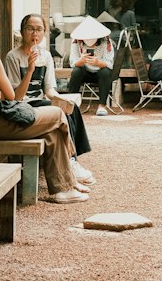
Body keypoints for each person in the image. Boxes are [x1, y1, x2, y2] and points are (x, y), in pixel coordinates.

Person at [0, 5, 87, 204]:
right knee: (58, 115)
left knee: (52, 132)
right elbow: (11, 97)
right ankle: (71, 169)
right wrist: (29, 71)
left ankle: (64, 187)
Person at [5, 13, 96, 187]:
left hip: (40, 101)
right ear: (22, 32)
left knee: (71, 108)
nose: (34, 34)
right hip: (23, 105)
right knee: (59, 112)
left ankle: (73, 160)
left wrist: (62, 100)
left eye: (39, 29)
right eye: (30, 29)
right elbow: (16, 96)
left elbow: (48, 90)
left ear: (44, 33)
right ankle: (70, 162)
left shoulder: (46, 56)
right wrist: (30, 69)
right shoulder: (13, 57)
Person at [67, 15, 117, 117]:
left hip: (100, 72)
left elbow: (109, 64)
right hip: (85, 71)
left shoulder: (106, 41)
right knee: (76, 71)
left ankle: (102, 106)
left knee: (105, 72)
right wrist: (81, 61)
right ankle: (71, 104)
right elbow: (73, 62)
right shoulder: (76, 41)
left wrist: (98, 63)